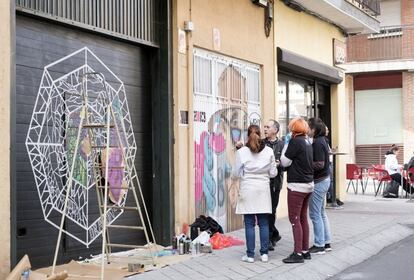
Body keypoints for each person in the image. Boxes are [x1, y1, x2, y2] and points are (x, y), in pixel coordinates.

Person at [233, 124, 277, 263]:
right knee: (264, 223)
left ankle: (250, 255)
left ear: (247, 136)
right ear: (260, 134)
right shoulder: (269, 151)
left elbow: (236, 173)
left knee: (249, 223)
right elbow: (273, 173)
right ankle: (264, 254)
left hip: (247, 189)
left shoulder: (242, 152)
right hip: (263, 190)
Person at [280, 117, 314, 264]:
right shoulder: (307, 142)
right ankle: (305, 251)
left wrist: (286, 145)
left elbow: (284, 161)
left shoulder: (295, 141)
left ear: (293, 129)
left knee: (294, 219)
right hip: (308, 184)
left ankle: (298, 253)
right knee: (302, 218)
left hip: (297, 186)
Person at [308, 119, 332, 254]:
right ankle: (326, 242)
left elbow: (319, 164)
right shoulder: (322, 140)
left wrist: (305, 164)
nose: (307, 130)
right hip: (324, 180)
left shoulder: (318, 143)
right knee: (321, 213)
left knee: (315, 214)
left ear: (314, 130)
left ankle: (319, 244)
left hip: (319, 182)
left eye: (309, 127)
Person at [263, 119, 284, 251]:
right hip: (263, 182)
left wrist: (279, 164)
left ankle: (271, 236)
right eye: (264, 127)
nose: (265, 129)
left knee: (272, 210)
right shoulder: (261, 144)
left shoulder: (282, 145)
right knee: (266, 211)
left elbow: (288, 163)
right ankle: (272, 235)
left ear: (275, 130)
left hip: (276, 183)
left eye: (268, 127)